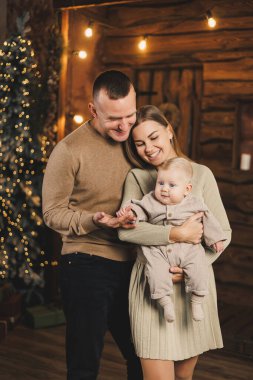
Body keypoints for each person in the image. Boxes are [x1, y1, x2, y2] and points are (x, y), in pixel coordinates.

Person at [42, 70, 143, 380]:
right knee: (85, 364)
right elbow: (52, 212)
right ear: (93, 110)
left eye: (130, 115)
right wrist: (93, 219)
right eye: (114, 118)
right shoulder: (69, 150)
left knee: (144, 356)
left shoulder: (138, 141)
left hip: (134, 264)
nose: (124, 125)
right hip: (85, 260)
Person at [118, 105, 232, 380]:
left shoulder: (201, 175)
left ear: (169, 131)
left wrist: (194, 266)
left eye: (154, 137)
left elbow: (222, 232)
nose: (149, 148)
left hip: (192, 287)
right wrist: (176, 234)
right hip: (151, 288)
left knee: (183, 376)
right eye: (140, 143)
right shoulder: (137, 177)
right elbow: (127, 232)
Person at [117, 157, 226, 323]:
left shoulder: (194, 203)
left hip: (188, 250)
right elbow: (139, 209)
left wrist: (215, 239)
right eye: (160, 183)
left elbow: (209, 219)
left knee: (198, 269)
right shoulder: (150, 199)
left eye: (172, 185)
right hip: (158, 250)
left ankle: (197, 301)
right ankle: (165, 302)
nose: (164, 189)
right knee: (155, 271)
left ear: (187, 189)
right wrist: (130, 214)